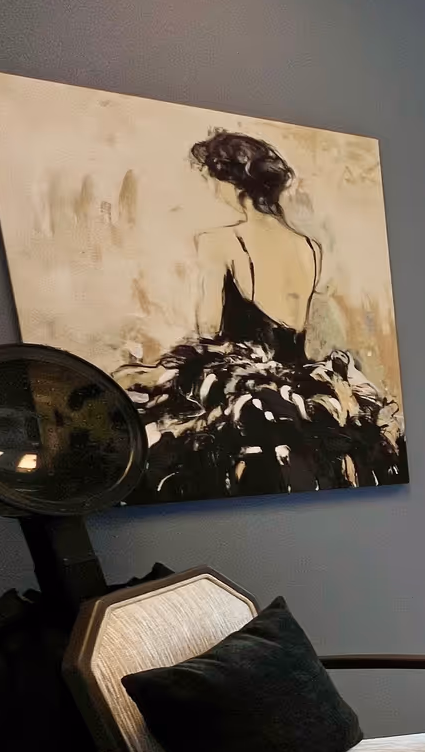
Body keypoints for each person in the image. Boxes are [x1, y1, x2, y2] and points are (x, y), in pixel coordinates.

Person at [116, 130, 407, 501]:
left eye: (210, 177)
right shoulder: (309, 246)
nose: (209, 187)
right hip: (303, 387)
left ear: (230, 182)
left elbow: (208, 330)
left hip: (242, 385)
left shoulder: (217, 242)